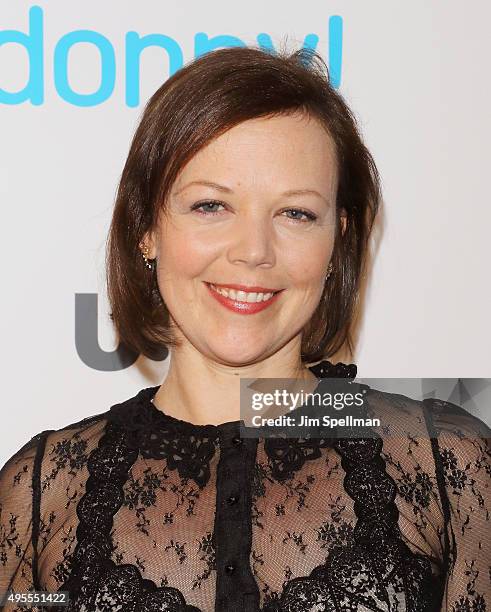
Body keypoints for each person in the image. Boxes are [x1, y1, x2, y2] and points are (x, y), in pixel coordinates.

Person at [0, 46, 489, 612]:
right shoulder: (40, 496)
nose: (255, 251)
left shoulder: (447, 461)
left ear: (336, 241)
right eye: (211, 206)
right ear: (147, 229)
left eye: (296, 214)